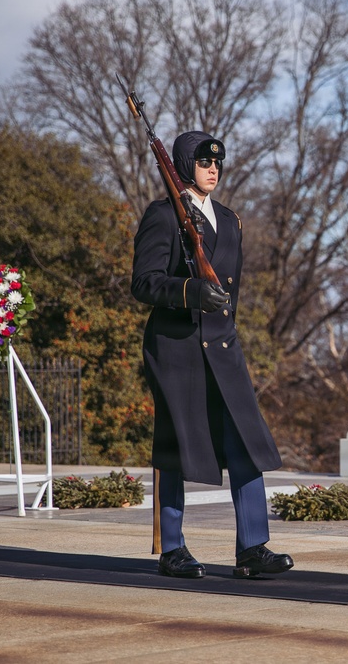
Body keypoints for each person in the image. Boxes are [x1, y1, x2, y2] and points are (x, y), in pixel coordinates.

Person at [131, 130, 293, 579]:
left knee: (246, 440)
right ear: (184, 166)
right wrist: (190, 291)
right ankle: (172, 547)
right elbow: (143, 282)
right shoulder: (163, 216)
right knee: (175, 443)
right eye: (204, 162)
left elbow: (231, 291)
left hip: (222, 345)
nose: (213, 169)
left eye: (217, 163)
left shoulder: (230, 219)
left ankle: (253, 547)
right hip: (177, 348)